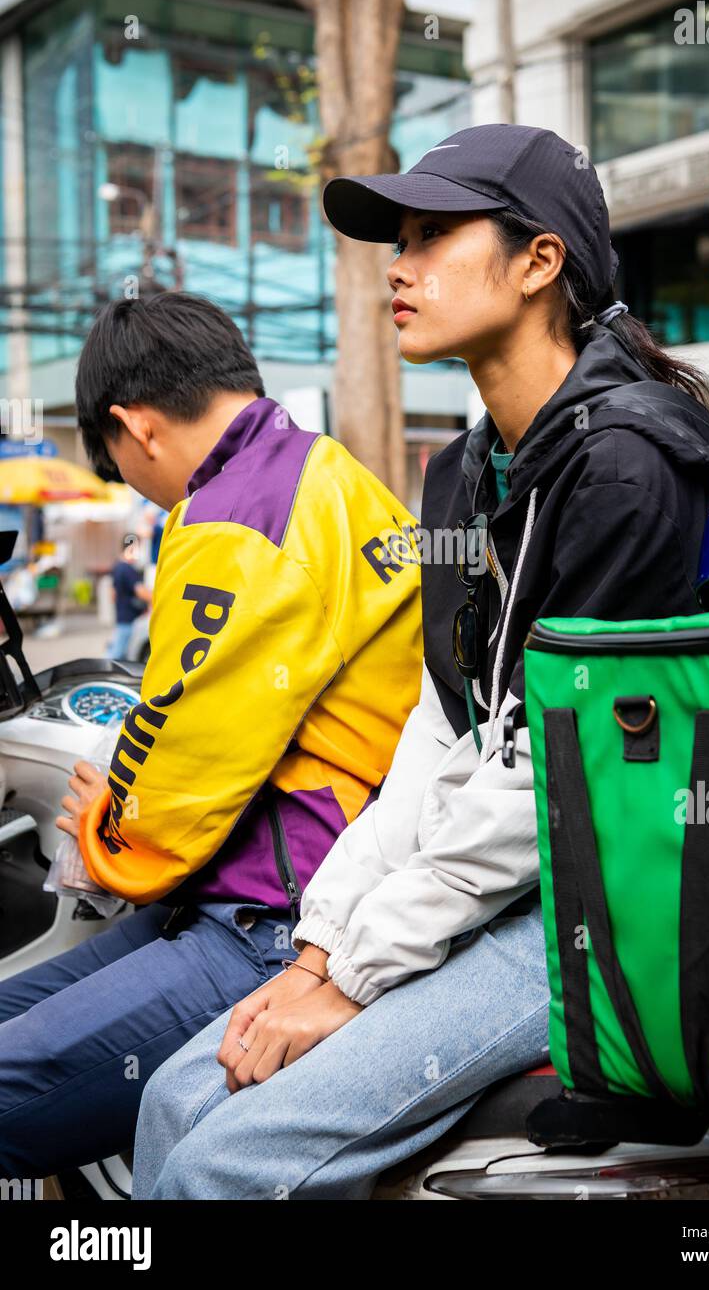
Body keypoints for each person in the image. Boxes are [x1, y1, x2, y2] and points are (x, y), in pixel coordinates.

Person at [134, 124, 709, 1200]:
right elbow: (439, 736)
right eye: (394, 240)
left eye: (430, 234)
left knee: (225, 1161)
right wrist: (319, 952)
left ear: (538, 262)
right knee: (171, 1098)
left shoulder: (630, 470)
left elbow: (547, 784)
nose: (396, 267)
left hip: (597, 909)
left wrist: (357, 980)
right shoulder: (464, 474)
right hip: (493, 888)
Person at [0, 290, 422, 1179]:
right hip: (306, 879)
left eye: (120, 468)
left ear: (136, 427)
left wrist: (99, 828)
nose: (141, 497)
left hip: (275, 916)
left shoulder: (230, 513)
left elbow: (178, 777)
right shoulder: (330, 471)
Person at [106, 533, 151, 660]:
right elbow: (142, 592)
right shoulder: (128, 570)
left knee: (119, 652)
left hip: (122, 616)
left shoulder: (117, 566)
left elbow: (113, 595)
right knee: (116, 656)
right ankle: (99, 677)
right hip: (130, 619)